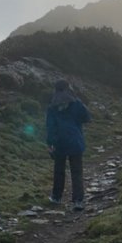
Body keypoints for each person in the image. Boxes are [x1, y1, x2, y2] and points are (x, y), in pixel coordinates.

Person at [46, 79, 91, 210]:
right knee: (76, 171)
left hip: (59, 142)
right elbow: (87, 118)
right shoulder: (76, 102)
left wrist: (50, 143)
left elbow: (50, 126)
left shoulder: (52, 105)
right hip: (75, 141)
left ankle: (56, 197)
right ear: (68, 88)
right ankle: (78, 201)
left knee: (59, 170)